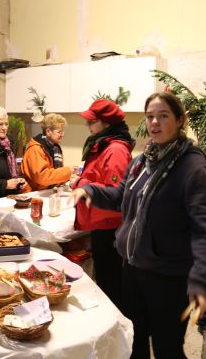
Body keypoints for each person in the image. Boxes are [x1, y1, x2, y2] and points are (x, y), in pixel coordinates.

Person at [72, 92, 206, 358]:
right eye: (150, 116)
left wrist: (201, 280)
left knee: (167, 349)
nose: (155, 122)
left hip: (169, 277)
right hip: (133, 270)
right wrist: (92, 191)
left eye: (163, 116)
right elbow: (121, 195)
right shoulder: (143, 160)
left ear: (179, 120)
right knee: (133, 341)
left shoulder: (193, 168)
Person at [72, 100, 135, 310]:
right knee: (107, 280)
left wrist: (83, 184)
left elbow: (115, 192)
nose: (87, 125)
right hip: (102, 222)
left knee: (111, 284)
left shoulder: (115, 149)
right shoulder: (104, 144)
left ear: (105, 123)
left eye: (91, 121)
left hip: (110, 226)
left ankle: (118, 329)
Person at [20, 113, 71, 191]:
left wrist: (68, 178)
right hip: (32, 194)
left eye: (63, 132)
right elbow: (42, 178)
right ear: (48, 131)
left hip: (46, 191)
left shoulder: (55, 148)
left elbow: (56, 175)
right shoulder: (35, 149)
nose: (62, 135)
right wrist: (68, 172)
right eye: (59, 132)